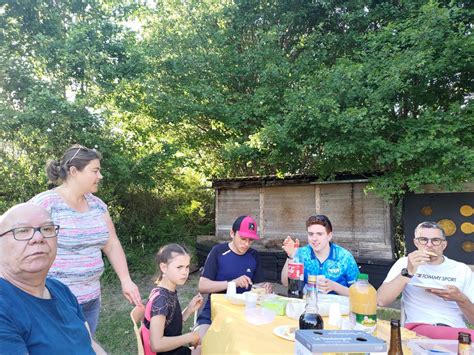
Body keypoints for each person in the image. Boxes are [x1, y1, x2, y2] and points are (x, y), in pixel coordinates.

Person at [30, 144, 141, 334]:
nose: (100, 176)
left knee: (85, 346)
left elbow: (111, 243)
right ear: (74, 171)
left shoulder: (98, 206)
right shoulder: (45, 204)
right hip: (55, 301)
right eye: (95, 170)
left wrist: (126, 280)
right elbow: (16, 243)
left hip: (91, 299)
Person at [0, 203, 106, 354]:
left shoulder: (59, 288)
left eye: (47, 229)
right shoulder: (4, 308)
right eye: (22, 230)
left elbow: (88, 342)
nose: (39, 237)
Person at [377, 221, 474, 339]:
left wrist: (461, 298)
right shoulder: (405, 263)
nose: (429, 245)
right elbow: (381, 300)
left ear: (444, 245)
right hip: (418, 328)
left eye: (435, 240)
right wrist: (408, 271)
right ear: (416, 242)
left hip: (456, 330)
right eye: (423, 239)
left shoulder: (461, 269)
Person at [195, 215, 272, 337]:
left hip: (245, 313)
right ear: (232, 233)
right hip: (214, 312)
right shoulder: (218, 251)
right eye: (243, 239)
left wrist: (265, 287)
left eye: (250, 240)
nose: (246, 244)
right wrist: (232, 283)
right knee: (199, 342)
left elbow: (257, 285)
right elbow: (202, 286)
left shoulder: (254, 255)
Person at [141, 244, 203, 355]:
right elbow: (156, 345)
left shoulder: (166, 291)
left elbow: (169, 326)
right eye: (179, 267)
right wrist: (189, 337)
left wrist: (189, 310)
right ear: (164, 267)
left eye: (187, 267)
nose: (185, 272)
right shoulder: (161, 299)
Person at [280, 214, 359, 296]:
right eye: (311, 234)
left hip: (336, 307)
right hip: (309, 304)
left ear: (329, 236)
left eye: (319, 234)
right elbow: (285, 283)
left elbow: (358, 293)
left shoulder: (344, 257)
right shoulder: (301, 254)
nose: (314, 239)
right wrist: (291, 256)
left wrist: (335, 287)